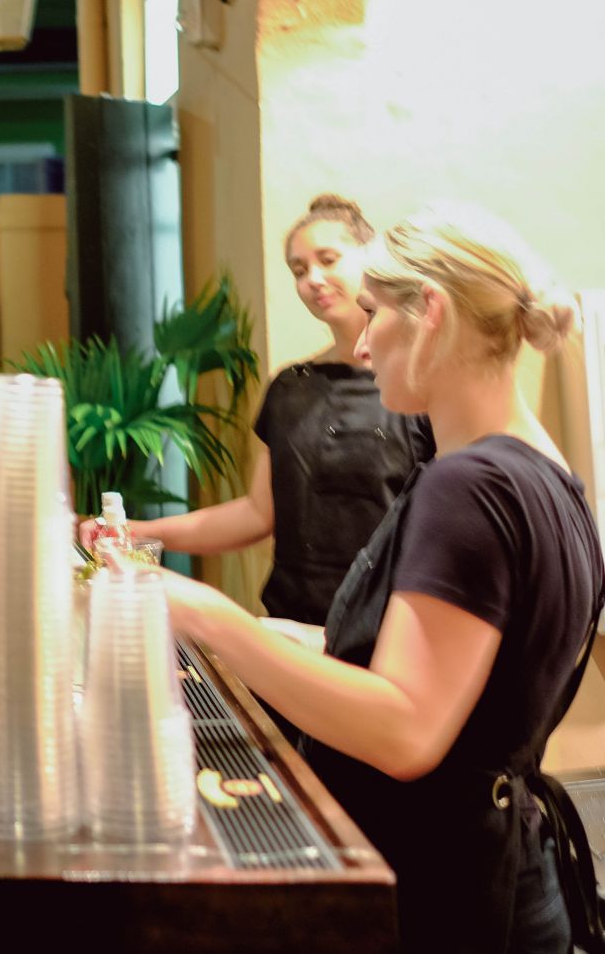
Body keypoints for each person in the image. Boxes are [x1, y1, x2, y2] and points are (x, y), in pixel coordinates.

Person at [157, 203, 603, 953]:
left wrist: (209, 618)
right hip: (506, 867)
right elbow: (459, 677)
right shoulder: (548, 473)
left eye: (373, 313)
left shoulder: (469, 487)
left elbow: (406, 730)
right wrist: (285, 636)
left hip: (448, 888)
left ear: (430, 312)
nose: (362, 345)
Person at [81, 194, 433, 628]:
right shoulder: (289, 388)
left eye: (328, 260)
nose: (313, 279)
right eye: (299, 270)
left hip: (384, 634)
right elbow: (256, 513)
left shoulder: (416, 389)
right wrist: (135, 530)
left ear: (370, 258)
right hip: (288, 624)